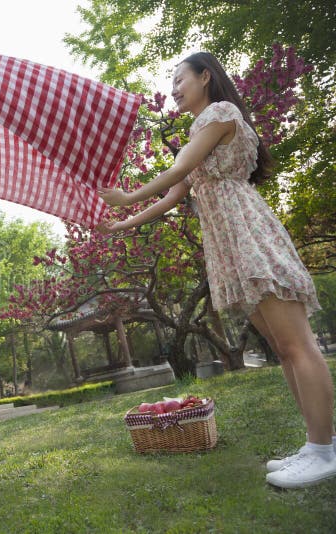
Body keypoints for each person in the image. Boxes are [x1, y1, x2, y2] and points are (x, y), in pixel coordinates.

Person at [96, 52, 336, 489]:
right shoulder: (198, 129)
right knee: (283, 349)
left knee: (297, 344)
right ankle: (316, 444)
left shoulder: (221, 113)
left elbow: (180, 169)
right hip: (228, 241)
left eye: (179, 78)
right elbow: (175, 194)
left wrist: (128, 197)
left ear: (205, 77)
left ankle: (324, 450)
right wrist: (122, 223)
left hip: (248, 232)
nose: (172, 88)